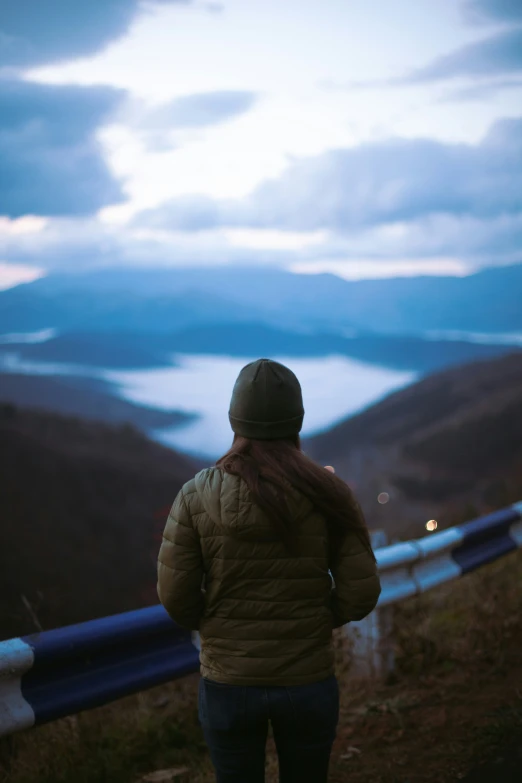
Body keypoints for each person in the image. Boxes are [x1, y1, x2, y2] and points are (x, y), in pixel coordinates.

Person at [157, 358, 382, 783]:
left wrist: (219, 626)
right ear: (295, 420)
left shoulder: (194, 497)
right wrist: (317, 617)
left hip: (228, 684)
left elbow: (175, 597)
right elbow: (361, 592)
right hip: (307, 679)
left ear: (234, 419)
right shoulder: (330, 494)